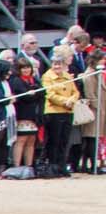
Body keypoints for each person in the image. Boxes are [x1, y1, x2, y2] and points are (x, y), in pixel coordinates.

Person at [40, 46, 79, 180]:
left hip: (67, 112)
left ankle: (62, 165)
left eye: (59, 64)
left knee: (64, 140)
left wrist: (71, 100)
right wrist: (64, 101)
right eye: (55, 64)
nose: (57, 66)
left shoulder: (68, 76)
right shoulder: (47, 76)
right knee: (54, 141)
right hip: (53, 112)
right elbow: (50, 94)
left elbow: (76, 91)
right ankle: (53, 166)